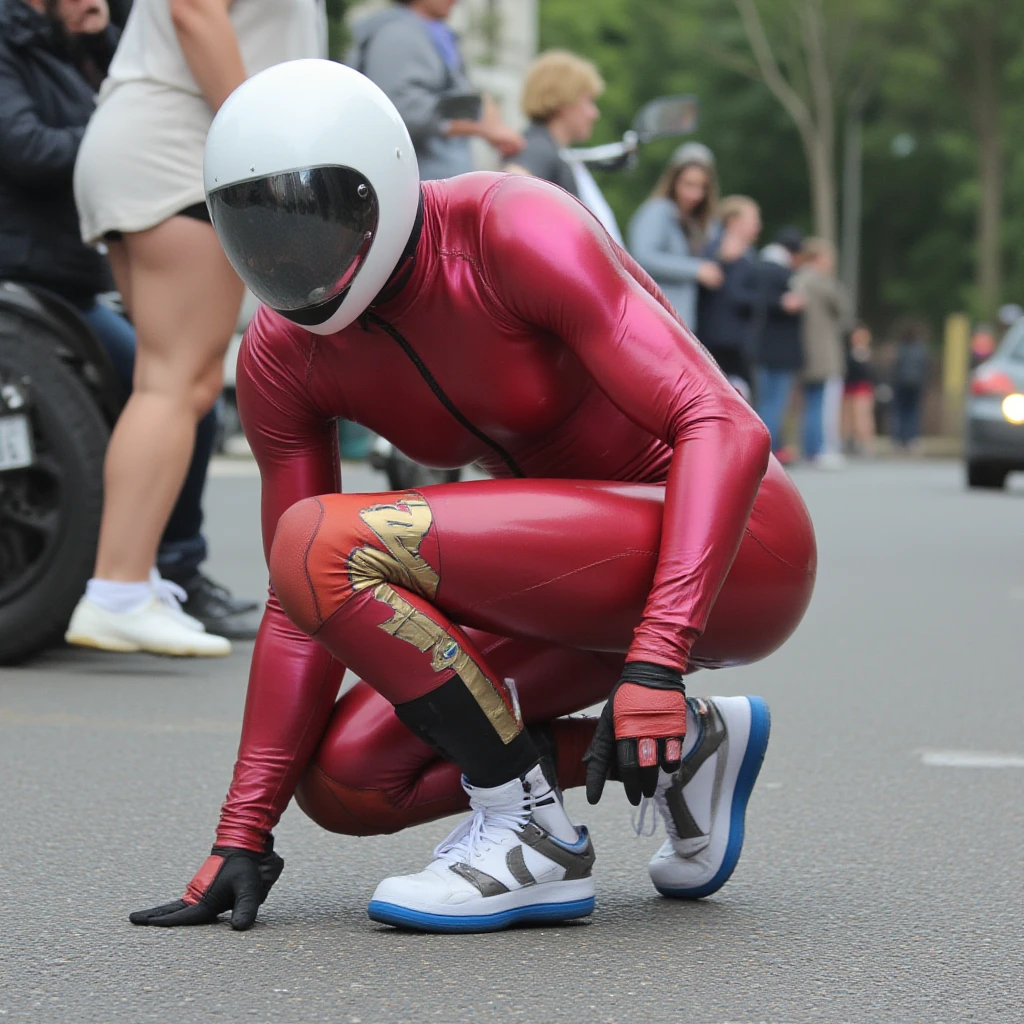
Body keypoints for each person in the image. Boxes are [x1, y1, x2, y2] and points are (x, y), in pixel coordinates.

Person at [127, 61, 817, 935]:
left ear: (383, 183)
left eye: (312, 217)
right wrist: (242, 831)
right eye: (257, 228)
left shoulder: (509, 228)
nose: (288, 256)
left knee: (322, 538)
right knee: (348, 779)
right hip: (569, 582)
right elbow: (297, 608)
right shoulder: (281, 352)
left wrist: (657, 659)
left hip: (736, 547)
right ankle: (692, 750)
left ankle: (531, 833)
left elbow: (724, 424)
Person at [65, 0, 326, 656]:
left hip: (163, 142)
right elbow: (194, 9)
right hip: (182, 149)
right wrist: (260, 148)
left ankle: (131, 581)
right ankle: (118, 591)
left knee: (175, 380)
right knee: (174, 382)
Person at [0, 0, 260, 638]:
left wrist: (97, 51)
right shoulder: (10, 45)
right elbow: (25, 148)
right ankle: (126, 584)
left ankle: (167, 567)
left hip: (74, 282)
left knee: (186, 395)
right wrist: (110, 137)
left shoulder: (85, 49)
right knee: (174, 386)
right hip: (24, 274)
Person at [347, 0, 522, 182]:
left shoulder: (426, 32)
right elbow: (401, 111)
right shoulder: (399, 35)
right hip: (417, 189)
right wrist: (479, 125)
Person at [504, 49, 622, 244]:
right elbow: (508, 189)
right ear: (564, 100)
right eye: (589, 101)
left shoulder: (549, 148)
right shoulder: (539, 147)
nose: (594, 113)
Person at [628, 142, 723, 331]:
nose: (695, 194)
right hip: (655, 321)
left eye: (702, 187)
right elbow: (643, 257)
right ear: (673, 182)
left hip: (679, 325)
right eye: (689, 184)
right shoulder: (657, 211)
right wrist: (696, 270)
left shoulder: (697, 223)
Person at [694, 194, 763, 397]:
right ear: (733, 221)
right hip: (721, 342)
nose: (758, 226)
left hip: (738, 341)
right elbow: (734, 295)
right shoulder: (714, 249)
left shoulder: (748, 252)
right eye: (753, 219)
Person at [793, 237, 849, 468]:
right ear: (818, 258)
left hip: (802, 349)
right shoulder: (822, 283)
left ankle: (809, 447)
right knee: (820, 403)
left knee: (808, 403)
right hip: (822, 351)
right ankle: (817, 449)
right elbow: (843, 308)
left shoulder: (797, 280)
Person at [753, 227, 806, 461]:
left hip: (759, 346)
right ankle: (770, 450)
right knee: (775, 402)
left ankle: (767, 447)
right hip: (781, 349)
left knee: (764, 399)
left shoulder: (757, 266)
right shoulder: (782, 274)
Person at [890, 321, 930, 452]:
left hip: (901, 384)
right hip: (916, 385)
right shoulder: (921, 349)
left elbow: (895, 368)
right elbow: (925, 369)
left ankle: (898, 439)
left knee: (900, 412)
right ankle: (912, 438)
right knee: (913, 412)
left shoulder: (901, 348)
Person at [842, 322, 876, 456]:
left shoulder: (867, 354)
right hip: (848, 388)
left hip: (862, 389)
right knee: (846, 418)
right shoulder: (848, 354)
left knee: (862, 416)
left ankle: (866, 444)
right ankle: (848, 441)